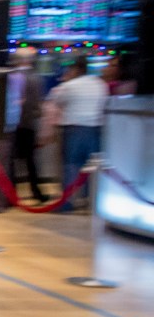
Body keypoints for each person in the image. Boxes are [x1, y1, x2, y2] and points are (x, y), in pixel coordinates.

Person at [49, 53, 109, 212]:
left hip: (73, 129)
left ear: (76, 69)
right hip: (95, 129)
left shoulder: (70, 85)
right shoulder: (100, 84)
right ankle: (92, 201)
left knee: (71, 165)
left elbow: (58, 102)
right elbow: (104, 104)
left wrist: (66, 81)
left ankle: (67, 202)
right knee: (92, 167)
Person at [6, 47, 47, 205]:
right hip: (29, 124)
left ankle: (11, 195)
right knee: (30, 160)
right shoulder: (36, 78)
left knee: (11, 160)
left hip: (12, 123)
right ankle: (36, 192)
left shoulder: (10, 76)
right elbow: (37, 105)